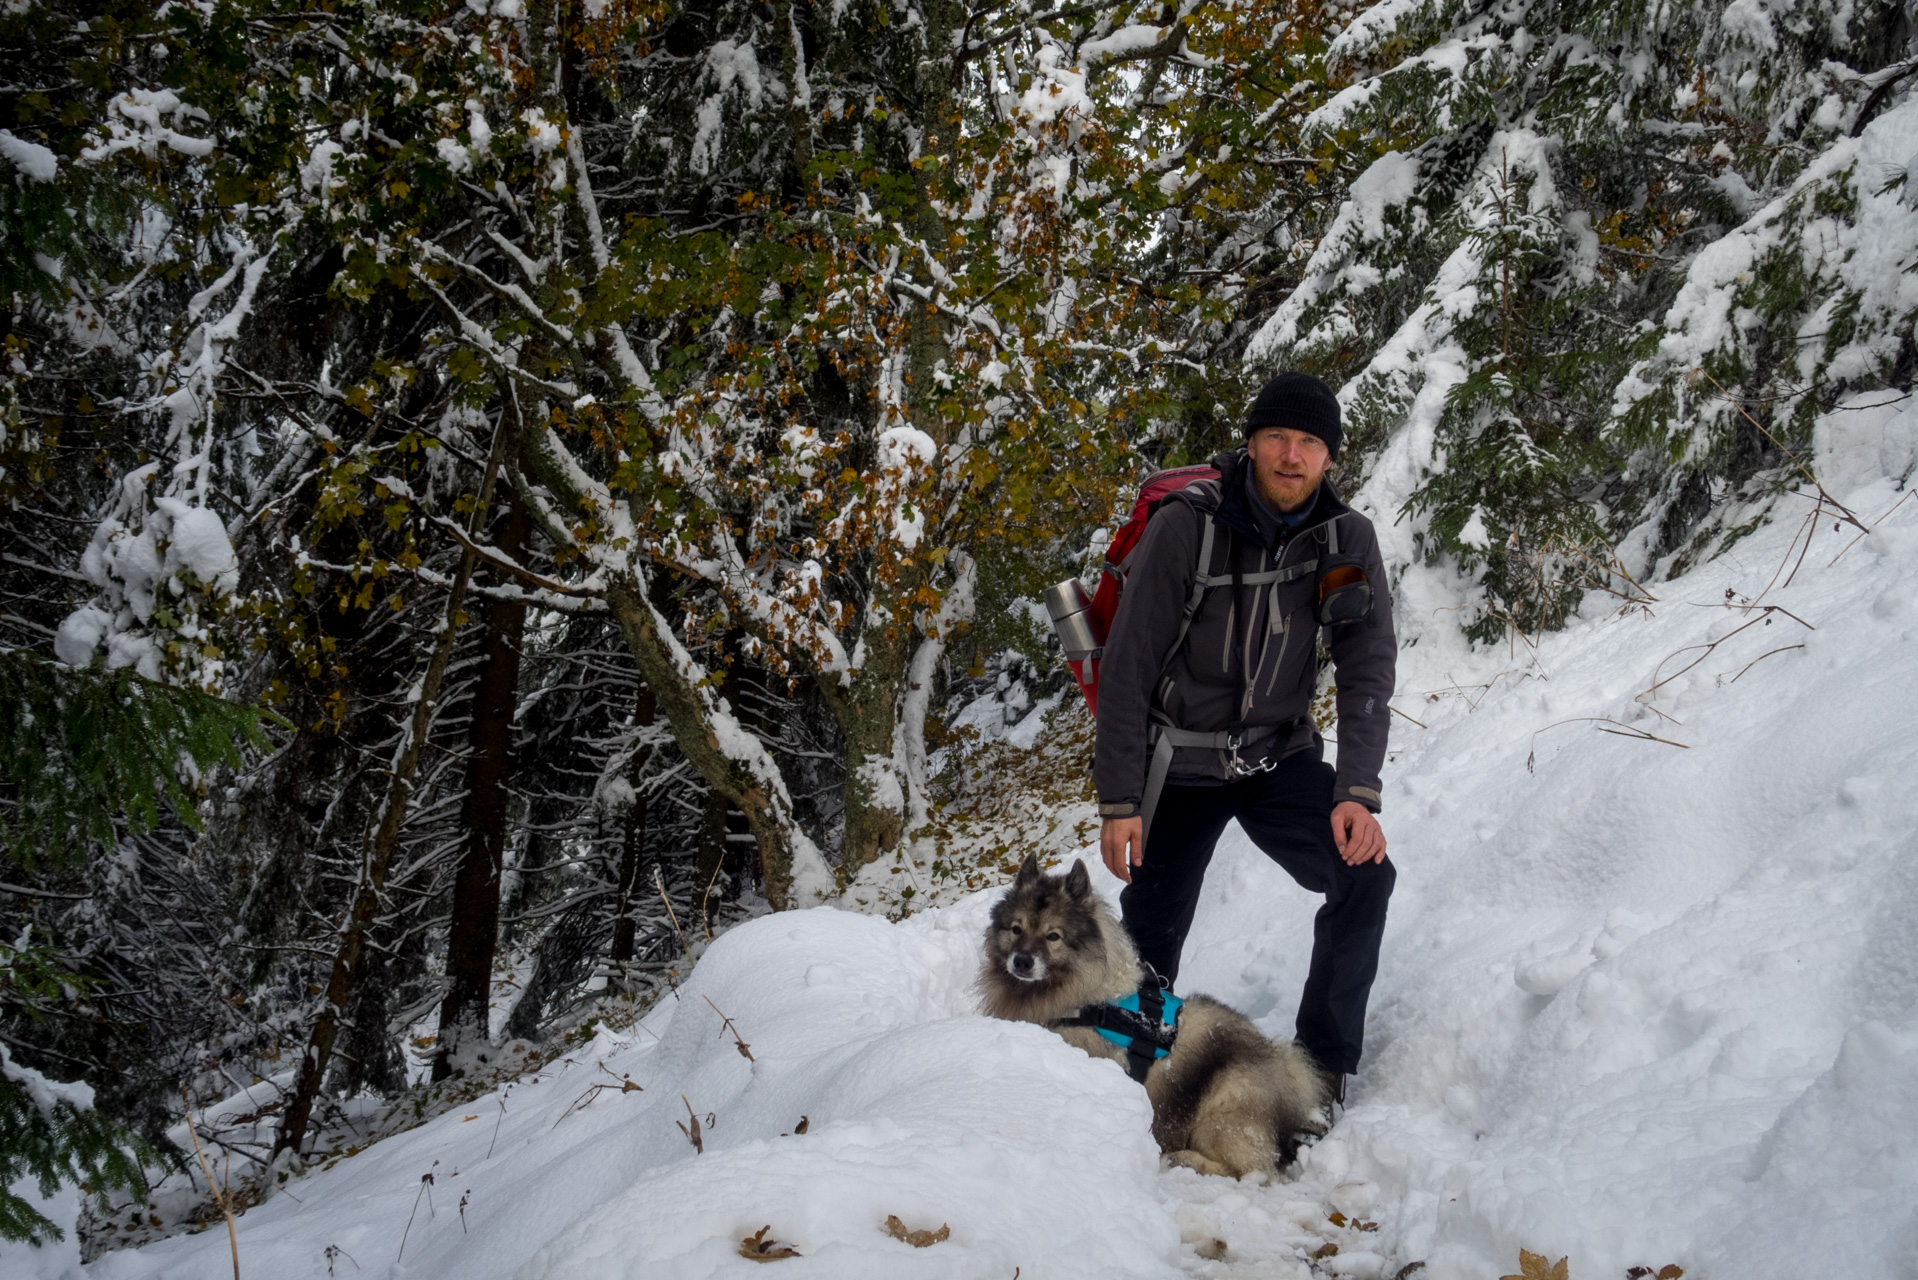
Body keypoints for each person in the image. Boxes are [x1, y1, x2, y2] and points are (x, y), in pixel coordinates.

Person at [1093, 371, 1397, 1104]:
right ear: (1252, 442)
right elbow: (1128, 668)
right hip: (1181, 764)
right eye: (1277, 438)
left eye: (1309, 443)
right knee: (1150, 939)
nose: (1291, 456)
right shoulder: (1188, 527)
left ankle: (1321, 1069)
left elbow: (1366, 667)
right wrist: (1120, 800)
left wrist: (1356, 790)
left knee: (1364, 876)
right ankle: (1126, 1086)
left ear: (1330, 458)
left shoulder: (1344, 539)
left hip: (1277, 756)